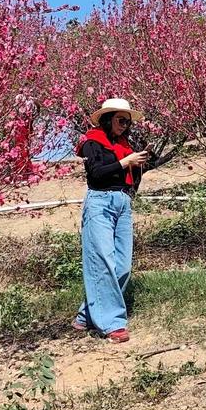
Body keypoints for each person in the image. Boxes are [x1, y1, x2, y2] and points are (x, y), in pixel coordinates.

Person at [73, 98, 154, 344]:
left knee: (122, 265)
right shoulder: (92, 142)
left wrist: (138, 164)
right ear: (108, 119)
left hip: (122, 202)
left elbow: (130, 178)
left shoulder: (124, 145)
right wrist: (125, 162)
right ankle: (113, 324)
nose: (125, 125)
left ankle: (86, 314)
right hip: (100, 202)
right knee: (103, 261)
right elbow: (96, 173)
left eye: (127, 122)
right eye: (121, 120)